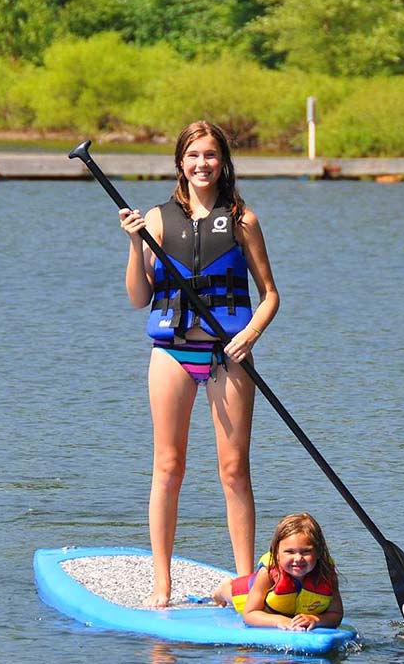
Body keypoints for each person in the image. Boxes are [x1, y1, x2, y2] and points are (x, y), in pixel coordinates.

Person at [119, 120, 280, 608]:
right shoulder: (156, 220)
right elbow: (138, 297)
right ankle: (161, 585)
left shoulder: (243, 220)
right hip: (172, 353)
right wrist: (133, 242)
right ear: (179, 163)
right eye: (193, 156)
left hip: (228, 356)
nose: (201, 164)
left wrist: (249, 334)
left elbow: (270, 295)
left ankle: (246, 585)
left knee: (234, 470)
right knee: (168, 466)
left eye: (210, 155)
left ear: (223, 161)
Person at [213, 513, 344, 630]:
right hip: (250, 593)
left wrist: (316, 620)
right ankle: (223, 589)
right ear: (276, 554)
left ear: (319, 552)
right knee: (236, 595)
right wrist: (279, 621)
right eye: (289, 552)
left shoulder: (326, 574)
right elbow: (249, 614)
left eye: (306, 551)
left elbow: (336, 614)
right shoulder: (268, 573)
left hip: (286, 606)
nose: (298, 558)